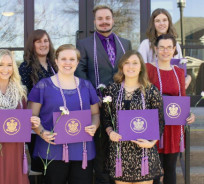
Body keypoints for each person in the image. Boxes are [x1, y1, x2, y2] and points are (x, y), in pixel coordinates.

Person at [75, 5, 132, 184]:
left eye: (107, 18)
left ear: (113, 20)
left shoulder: (126, 43)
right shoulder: (84, 44)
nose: (104, 21)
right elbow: (80, 72)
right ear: (95, 22)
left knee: (121, 146)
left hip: (123, 104)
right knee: (101, 150)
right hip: (98, 104)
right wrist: (94, 97)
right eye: (100, 18)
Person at [28, 44, 100, 184]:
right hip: (52, 149)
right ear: (56, 60)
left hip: (82, 150)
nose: (68, 63)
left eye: (72, 59)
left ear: (77, 62)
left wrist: (94, 126)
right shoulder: (43, 86)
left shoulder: (87, 86)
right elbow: (31, 117)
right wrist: (42, 132)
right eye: (64, 59)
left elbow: (95, 114)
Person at [0, 49, 40, 184]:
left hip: (15, 150)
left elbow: (22, 125)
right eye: (1, 64)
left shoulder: (20, 93)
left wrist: (32, 122)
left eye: (9, 65)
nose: (6, 69)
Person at [102, 50, 164, 183]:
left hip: (144, 153)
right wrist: (110, 132)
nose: (131, 67)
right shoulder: (112, 90)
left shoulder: (150, 90)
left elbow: (160, 120)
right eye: (127, 63)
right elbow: (106, 118)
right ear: (121, 67)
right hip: (119, 153)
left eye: (135, 63)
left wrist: (152, 142)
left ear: (141, 67)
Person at [146, 34, 195, 184]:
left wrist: (189, 113)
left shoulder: (179, 72)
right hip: (154, 127)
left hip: (173, 126)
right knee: (154, 171)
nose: (165, 51)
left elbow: (182, 98)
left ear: (174, 50)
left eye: (169, 47)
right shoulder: (148, 69)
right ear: (156, 49)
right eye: (161, 47)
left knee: (170, 169)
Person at [19, 29, 57, 178]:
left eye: (46, 41)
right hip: (36, 125)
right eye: (39, 41)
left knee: (55, 167)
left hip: (55, 121)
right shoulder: (25, 67)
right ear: (32, 45)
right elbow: (24, 97)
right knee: (40, 168)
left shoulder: (55, 65)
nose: (43, 44)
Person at [138, 8, 191, 89]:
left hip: (173, 91)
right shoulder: (145, 44)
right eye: (157, 21)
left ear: (169, 22)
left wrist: (188, 78)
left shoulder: (176, 44)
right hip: (153, 90)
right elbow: (141, 71)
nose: (161, 23)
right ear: (153, 24)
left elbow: (181, 70)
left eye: (164, 20)